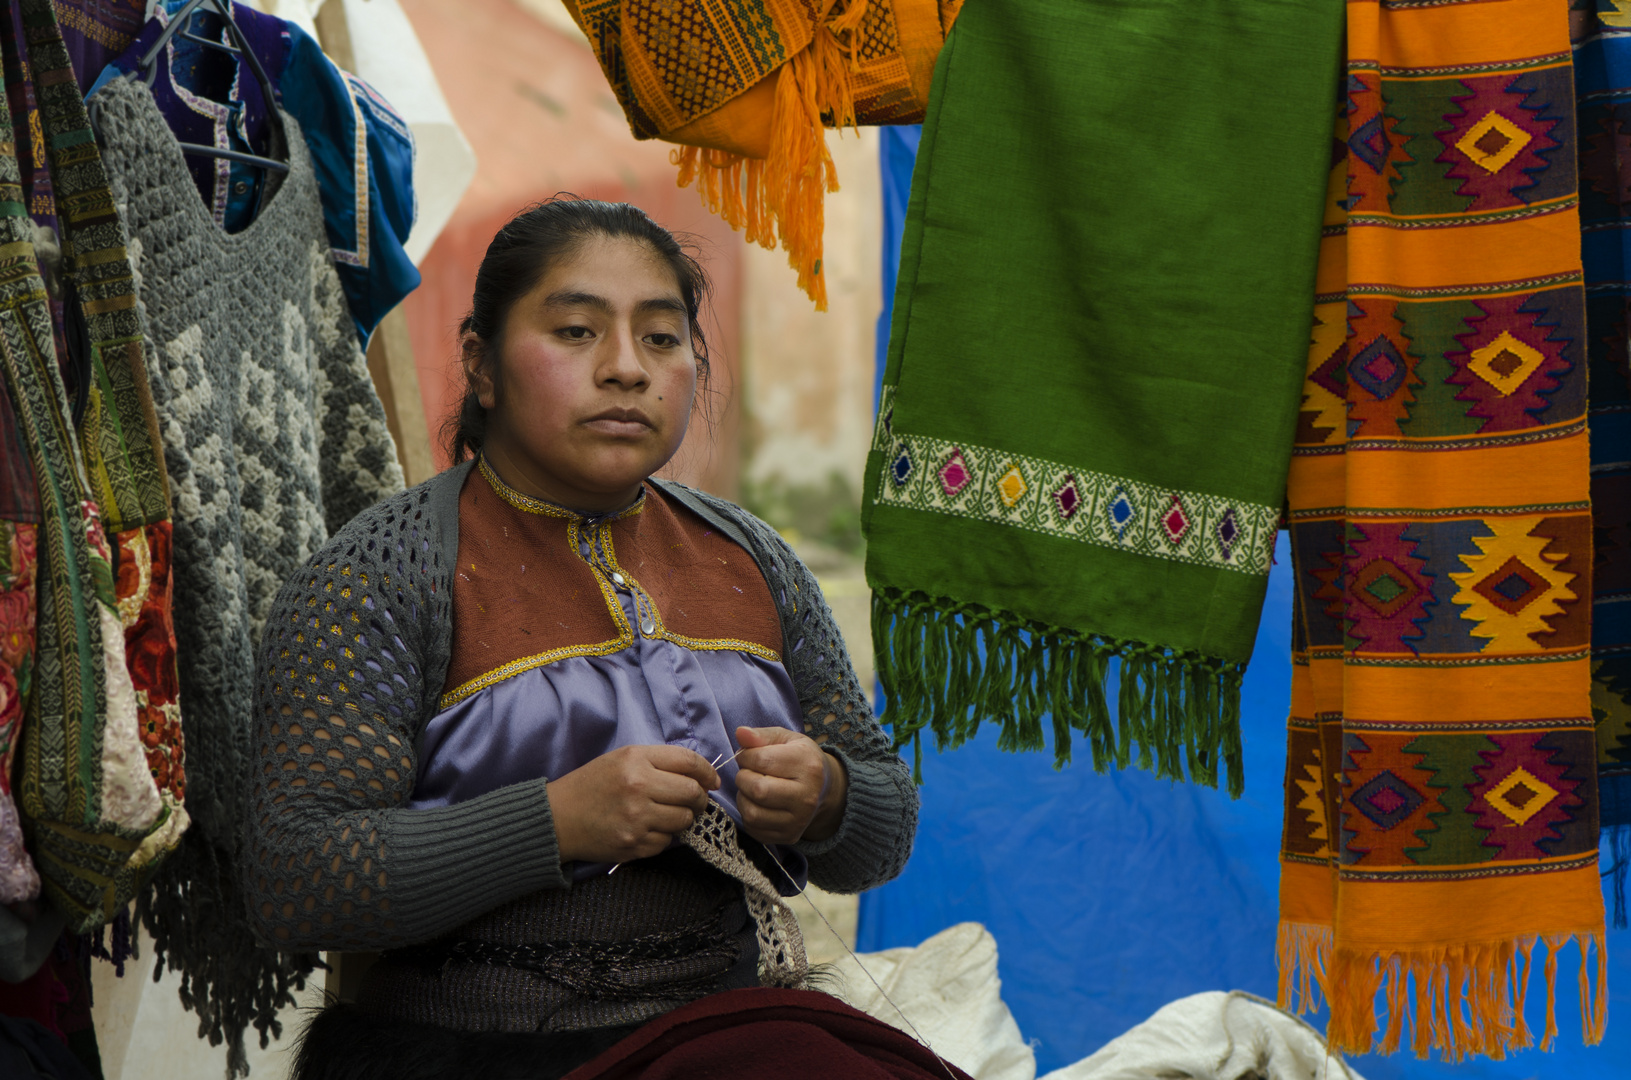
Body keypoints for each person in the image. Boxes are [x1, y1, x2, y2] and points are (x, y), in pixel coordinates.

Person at [241, 197, 919, 1079]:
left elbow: (887, 821)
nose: (626, 370)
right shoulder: (381, 574)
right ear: (481, 365)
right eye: (574, 331)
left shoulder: (751, 558)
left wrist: (827, 796)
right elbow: (295, 879)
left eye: (662, 338)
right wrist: (557, 822)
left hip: (729, 1037)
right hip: (469, 1057)